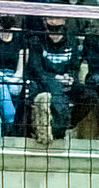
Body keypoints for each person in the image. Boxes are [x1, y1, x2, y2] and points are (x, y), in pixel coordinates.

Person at [30, 16, 83, 146]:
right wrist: (56, 79)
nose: (54, 35)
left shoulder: (72, 41)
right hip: (44, 81)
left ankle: (66, 126)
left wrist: (71, 77)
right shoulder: (36, 40)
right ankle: (49, 130)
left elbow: (75, 66)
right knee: (54, 95)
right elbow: (37, 69)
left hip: (66, 81)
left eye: (57, 31)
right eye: (51, 31)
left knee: (89, 95)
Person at [0, 14, 28, 138]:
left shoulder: (20, 39)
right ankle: (11, 124)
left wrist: (14, 79)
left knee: (16, 89)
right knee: (2, 87)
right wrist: (5, 79)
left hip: (15, 77)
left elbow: (21, 69)